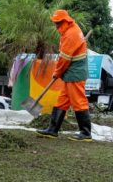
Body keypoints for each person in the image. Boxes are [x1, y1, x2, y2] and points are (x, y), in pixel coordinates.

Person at [36, 10, 92, 142]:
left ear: (66, 21)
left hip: (75, 72)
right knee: (62, 100)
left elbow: (64, 59)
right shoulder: (71, 29)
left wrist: (57, 73)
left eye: (59, 23)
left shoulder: (70, 34)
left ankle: (85, 133)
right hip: (71, 70)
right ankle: (52, 130)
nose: (56, 26)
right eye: (55, 23)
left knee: (78, 101)